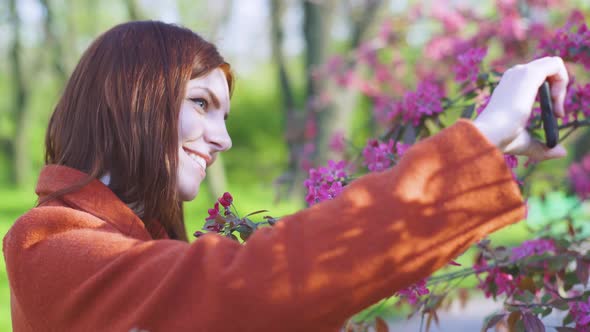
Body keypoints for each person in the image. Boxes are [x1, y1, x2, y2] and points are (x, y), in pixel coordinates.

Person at [2, 21, 568, 332]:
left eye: (222, 115)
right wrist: (482, 136)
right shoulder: (48, 243)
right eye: (201, 103)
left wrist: (488, 149)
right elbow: (257, 285)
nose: (222, 139)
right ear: (128, 99)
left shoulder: (134, 245)